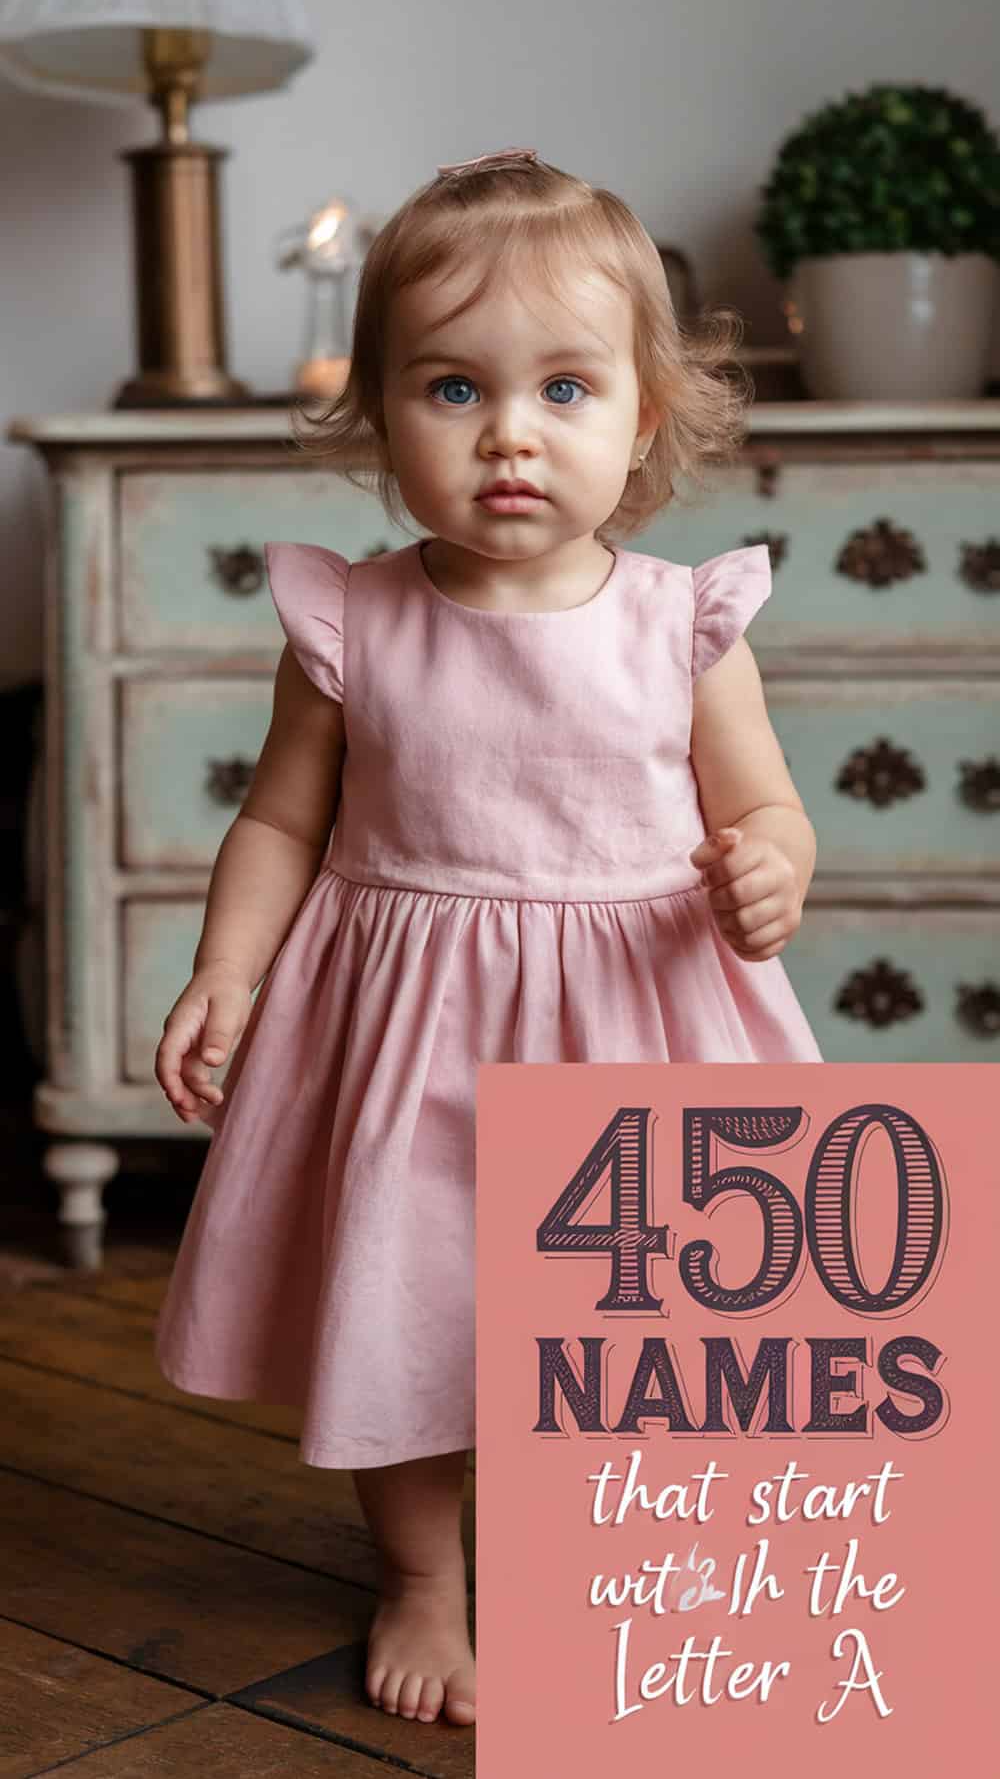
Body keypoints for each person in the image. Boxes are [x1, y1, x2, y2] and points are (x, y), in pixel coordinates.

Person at [153, 146, 823, 1732]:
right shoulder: (353, 623)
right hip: (412, 1033)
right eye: (453, 388)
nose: (510, 432)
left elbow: (768, 805)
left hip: (640, 1019)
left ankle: (637, 1557)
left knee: (654, 1325)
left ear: (642, 417)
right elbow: (280, 823)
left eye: (565, 388)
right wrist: (226, 969)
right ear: (381, 414)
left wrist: (773, 868)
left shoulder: (684, 625)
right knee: (409, 1307)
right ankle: (423, 1574)